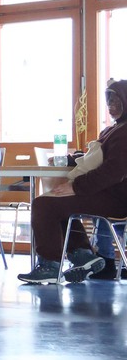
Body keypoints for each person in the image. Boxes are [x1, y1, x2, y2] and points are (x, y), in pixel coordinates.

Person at [17, 81, 127, 284]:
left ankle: (50, 266)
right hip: (107, 194)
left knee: (44, 204)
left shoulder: (124, 132)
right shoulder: (114, 130)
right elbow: (96, 158)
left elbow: (114, 171)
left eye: (116, 101)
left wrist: (75, 187)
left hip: (117, 199)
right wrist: (70, 160)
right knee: (54, 203)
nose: (111, 105)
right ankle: (83, 256)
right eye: (109, 101)